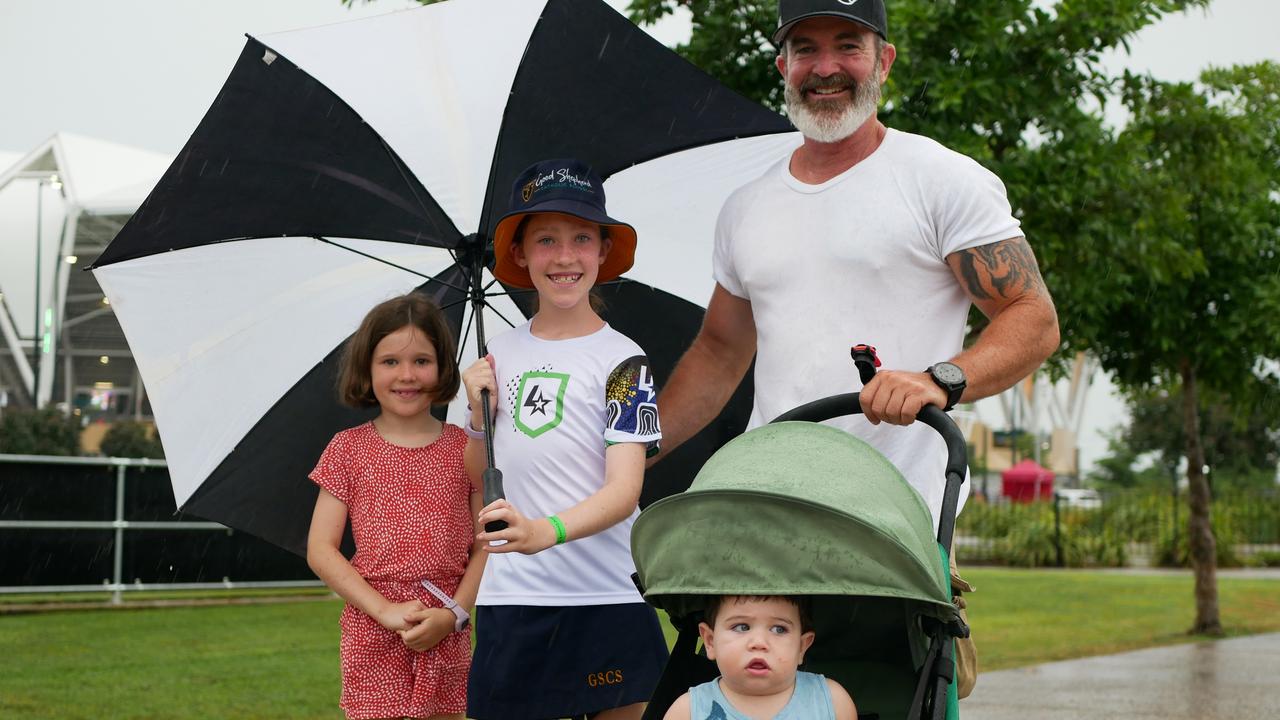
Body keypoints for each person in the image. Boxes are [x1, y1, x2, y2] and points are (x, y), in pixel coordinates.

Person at [654, 0, 1059, 700]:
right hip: (767, 508)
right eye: (805, 48)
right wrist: (624, 453)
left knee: (887, 699)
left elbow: (1033, 318)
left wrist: (941, 380)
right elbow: (719, 355)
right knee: (749, 700)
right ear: (782, 65)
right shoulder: (747, 206)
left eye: (849, 45)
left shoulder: (938, 179)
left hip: (896, 518)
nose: (827, 67)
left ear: (884, 61)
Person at [461, 158, 667, 720]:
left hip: (609, 597)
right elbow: (476, 468)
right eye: (546, 240)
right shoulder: (496, 355)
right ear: (521, 255)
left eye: (581, 238)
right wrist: (479, 415)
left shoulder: (625, 360)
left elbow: (624, 490)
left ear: (603, 251)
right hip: (514, 599)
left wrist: (543, 531)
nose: (565, 256)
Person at [306, 293, 484, 720]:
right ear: (367, 369)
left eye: (422, 361)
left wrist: (454, 614)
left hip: (446, 627)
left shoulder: (467, 449)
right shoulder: (347, 449)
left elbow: (486, 544)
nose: (407, 375)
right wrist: (384, 611)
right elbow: (321, 549)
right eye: (390, 362)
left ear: (442, 367)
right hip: (373, 628)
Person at [664, 595, 857, 720]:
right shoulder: (688, 711)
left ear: (802, 646)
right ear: (710, 641)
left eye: (779, 629)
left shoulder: (830, 701)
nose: (759, 642)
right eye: (741, 627)